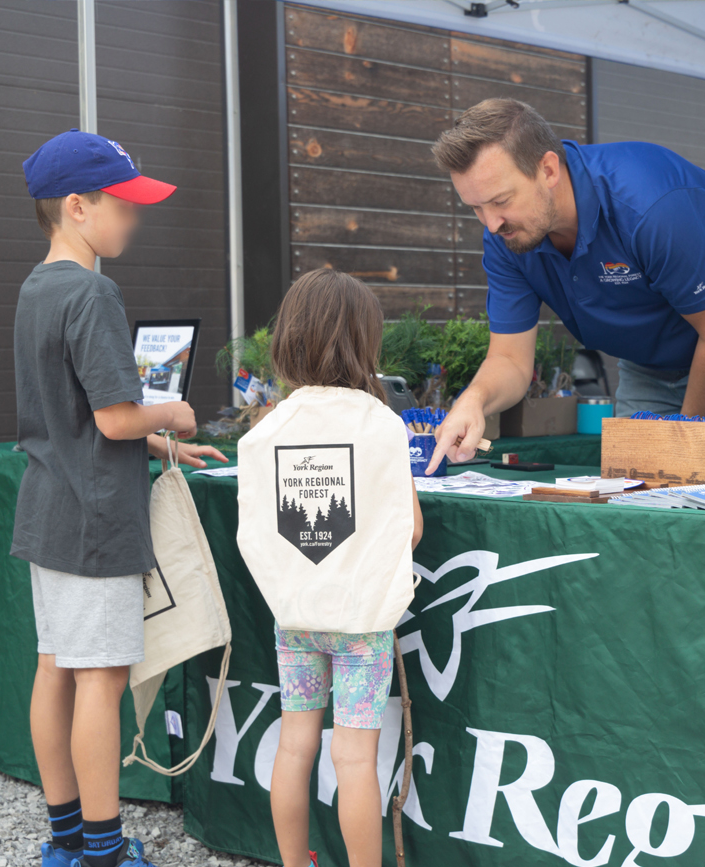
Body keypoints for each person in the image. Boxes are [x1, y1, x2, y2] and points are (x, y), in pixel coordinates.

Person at [14, 129, 226, 867]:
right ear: (78, 206)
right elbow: (111, 417)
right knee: (100, 682)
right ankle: (105, 853)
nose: (134, 217)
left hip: (47, 512)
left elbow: (71, 418)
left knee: (54, 669)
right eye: (124, 204)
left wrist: (161, 447)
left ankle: (66, 840)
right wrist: (172, 414)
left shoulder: (36, 288)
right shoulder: (94, 292)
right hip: (96, 519)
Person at [427, 99, 705, 472]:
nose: (491, 224)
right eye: (475, 207)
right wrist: (473, 401)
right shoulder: (505, 238)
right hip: (653, 356)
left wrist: (682, 441)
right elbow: (510, 359)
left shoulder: (649, 205)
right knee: (635, 491)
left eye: (500, 201)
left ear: (547, 170)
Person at [235, 270, 424, 867]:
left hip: (294, 618)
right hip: (362, 624)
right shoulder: (382, 425)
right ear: (364, 343)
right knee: (354, 760)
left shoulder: (265, 431)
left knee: (293, 749)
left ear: (288, 339)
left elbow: (258, 531)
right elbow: (410, 528)